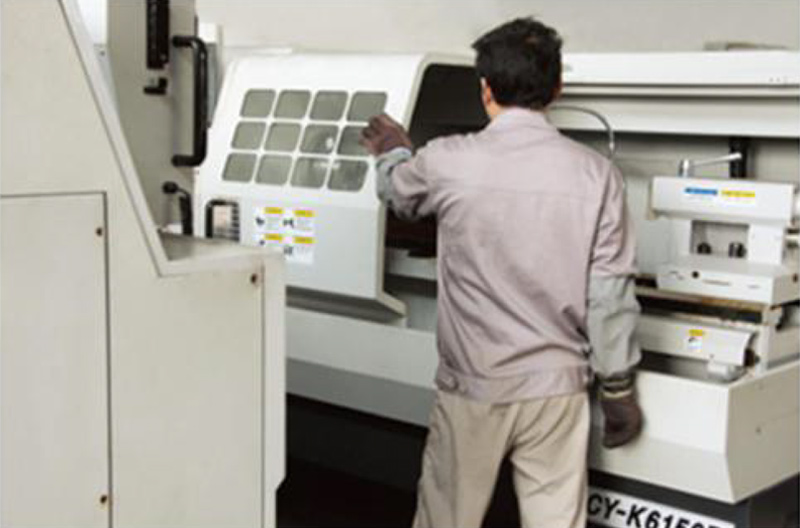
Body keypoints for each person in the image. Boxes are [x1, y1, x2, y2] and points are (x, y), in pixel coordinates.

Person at [360, 17, 643, 528]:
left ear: (486, 89)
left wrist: (393, 151)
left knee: (447, 519)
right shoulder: (598, 175)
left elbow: (397, 192)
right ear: (556, 88)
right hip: (558, 389)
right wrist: (618, 388)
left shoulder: (448, 160)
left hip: (474, 386)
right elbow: (609, 293)